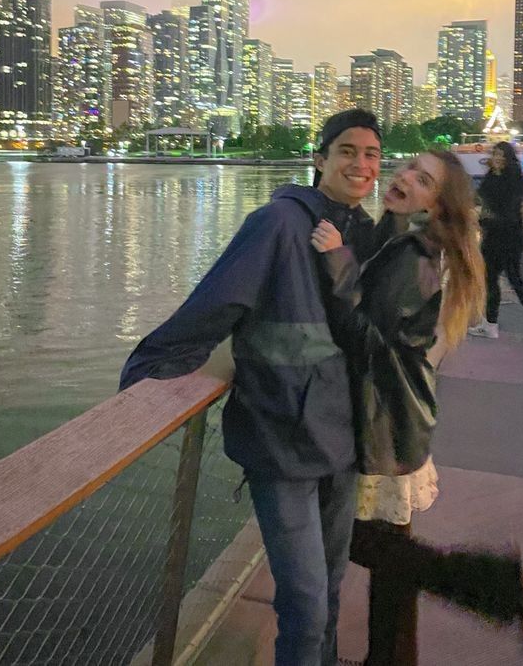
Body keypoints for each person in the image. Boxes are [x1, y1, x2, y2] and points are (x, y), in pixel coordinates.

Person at [119, 109, 383, 666]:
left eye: (372, 154)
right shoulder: (279, 224)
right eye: (347, 152)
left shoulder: (359, 230)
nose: (361, 164)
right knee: (307, 604)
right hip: (282, 439)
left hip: (342, 441)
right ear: (319, 159)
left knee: (330, 591)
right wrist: (145, 378)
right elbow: (215, 305)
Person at [312, 150, 523, 664]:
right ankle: (397, 652)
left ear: (437, 206)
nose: (404, 177)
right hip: (398, 418)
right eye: (408, 167)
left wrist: (337, 260)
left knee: (352, 539)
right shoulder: (404, 241)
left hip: (385, 421)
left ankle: (486, 583)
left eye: (423, 179)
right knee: (385, 551)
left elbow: (372, 339)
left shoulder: (415, 258)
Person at [468, 142, 523, 347]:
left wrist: (483, 219)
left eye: (501, 155)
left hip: (509, 236)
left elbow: (508, 211)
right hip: (491, 236)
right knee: (489, 280)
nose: (497, 158)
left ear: (508, 158)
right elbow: (478, 200)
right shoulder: (490, 177)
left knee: (515, 279)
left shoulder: (515, 179)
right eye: (495, 154)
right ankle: (490, 325)